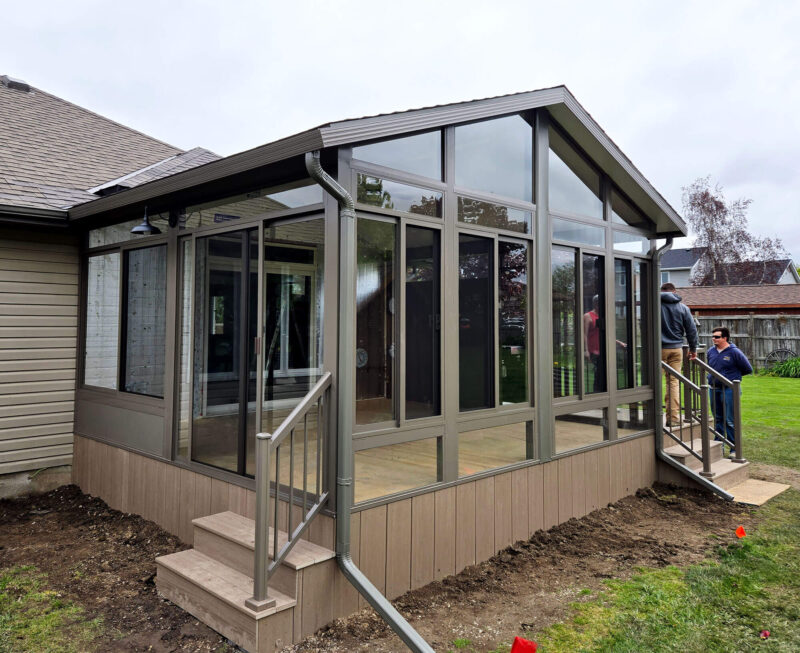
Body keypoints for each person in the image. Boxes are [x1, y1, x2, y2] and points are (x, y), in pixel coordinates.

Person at [707, 326, 752, 454]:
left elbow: (748, 369)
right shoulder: (711, 351)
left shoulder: (734, 352)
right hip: (713, 388)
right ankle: (718, 446)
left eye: (717, 337)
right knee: (718, 419)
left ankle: (734, 449)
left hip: (729, 389)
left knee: (730, 420)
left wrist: (732, 378)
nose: (713, 339)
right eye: (713, 336)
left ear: (725, 338)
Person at [660, 282, 698, 426]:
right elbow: (691, 330)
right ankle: (674, 419)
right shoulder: (683, 308)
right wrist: (693, 349)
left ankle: (653, 419)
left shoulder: (653, 305)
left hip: (658, 349)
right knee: (673, 382)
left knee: (654, 383)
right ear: (674, 292)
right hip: (677, 349)